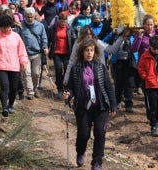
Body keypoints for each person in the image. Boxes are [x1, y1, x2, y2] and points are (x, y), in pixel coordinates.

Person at [63, 38, 117, 170]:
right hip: (82, 107)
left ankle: (97, 162)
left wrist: (113, 104)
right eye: (87, 50)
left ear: (95, 52)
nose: (89, 53)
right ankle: (80, 152)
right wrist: (68, 94)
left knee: (100, 132)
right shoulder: (76, 68)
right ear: (82, 52)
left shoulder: (100, 66)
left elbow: (108, 87)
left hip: (100, 106)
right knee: (84, 134)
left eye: (92, 50)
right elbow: (70, 87)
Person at [0, 14, 28, 116]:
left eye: (7, 27)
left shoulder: (16, 37)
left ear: (11, 26)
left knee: (13, 88)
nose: (5, 29)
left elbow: (21, 51)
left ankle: (11, 105)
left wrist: (23, 62)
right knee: (5, 86)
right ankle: (4, 107)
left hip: (14, 66)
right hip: (1, 66)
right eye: (3, 27)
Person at [138, 35, 158, 137]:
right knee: (152, 107)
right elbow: (140, 68)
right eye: (154, 49)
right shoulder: (145, 56)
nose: (156, 51)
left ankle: (157, 119)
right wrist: (146, 77)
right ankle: (154, 125)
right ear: (150, 46)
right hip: (150, 85)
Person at [20, 7, 48, 99]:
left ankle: (35, 88)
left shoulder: (40, 26)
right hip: (25, 54)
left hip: (37, 53)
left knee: (35, 73)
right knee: (26, 72)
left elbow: (44, 38)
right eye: (28, 17)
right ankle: (30, 92)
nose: (30, 19)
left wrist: (45, 47)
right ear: (25, 16)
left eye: (31, 17)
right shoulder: (21, 26)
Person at [48, 12, 76, 99]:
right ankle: (60, 89)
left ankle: (65, 86)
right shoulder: (54, 28)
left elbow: (73, 39)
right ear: (58, 20)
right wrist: (46, 48)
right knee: (58, 69)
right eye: (62, 21)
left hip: (67, 52)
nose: (63, 23)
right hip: (56, 52)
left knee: (67, 68)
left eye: (65, 21)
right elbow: (49, 39)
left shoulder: (69, 29)